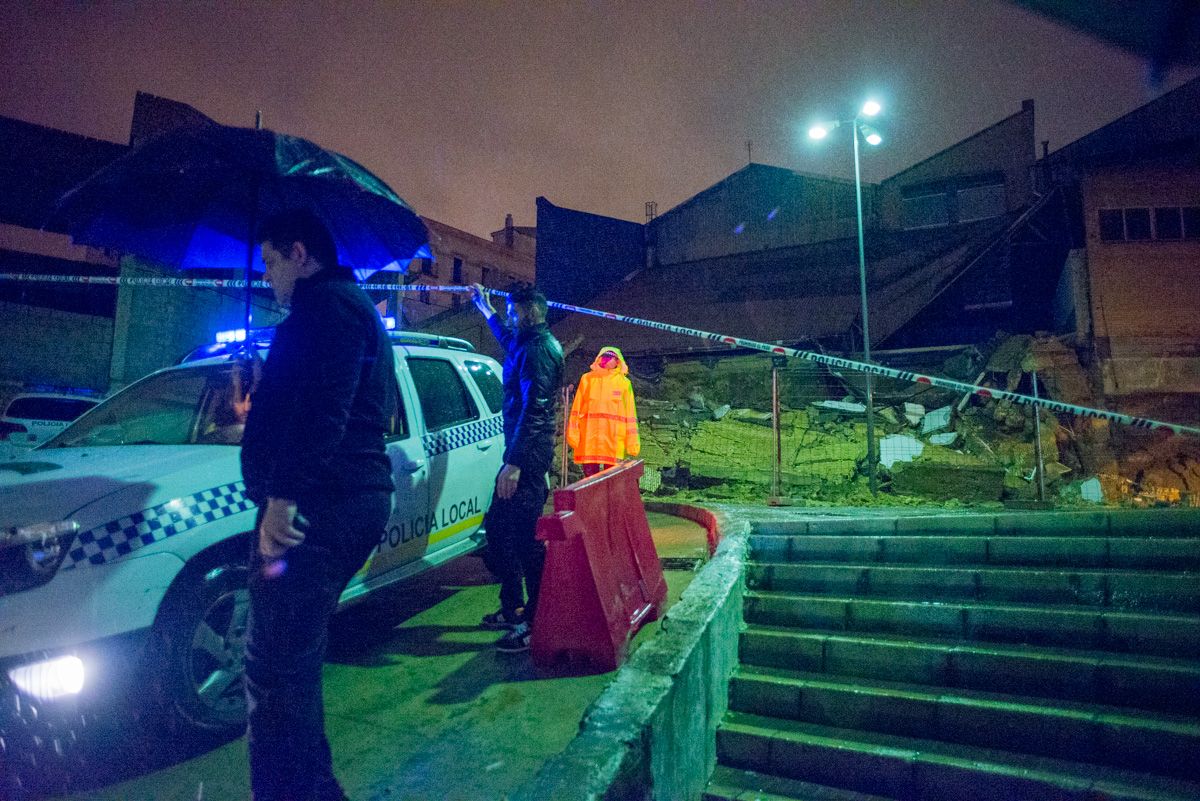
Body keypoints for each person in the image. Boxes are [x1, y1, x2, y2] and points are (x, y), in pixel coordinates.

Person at [240, 209, 395, 801]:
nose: (269, 276)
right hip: (336, 500)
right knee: (286, 667)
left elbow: (325, 410)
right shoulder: (339, 308)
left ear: (301, 254)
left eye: (273, 262)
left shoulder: (326, 307)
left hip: (319, 506)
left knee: (277, 671)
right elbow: (312, 397)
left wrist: (285, 496)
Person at [470, 281, 563, 653]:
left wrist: (515, 463)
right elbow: (508, 341)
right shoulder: (529, 344)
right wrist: (486, 309)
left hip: (526, 457)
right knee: (497, 531)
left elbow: (536, 409)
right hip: (522, 454)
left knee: (525, 540)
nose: (509, 317)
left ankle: (534, 621)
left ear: (527, 312)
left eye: (512, 311)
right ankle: (513, 607)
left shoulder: (540, 350)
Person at [566, 346, 640, 476]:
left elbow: (630, 414)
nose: (606, 360)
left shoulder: (624, 383)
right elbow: (577, 408)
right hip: (590, 439)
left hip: (613, 440)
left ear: (618, 361)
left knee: (611, 480)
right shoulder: (587, 379)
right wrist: (573, 433)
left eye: (610, 358)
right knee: (589, 480)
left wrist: (632, 442)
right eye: (604, 357)